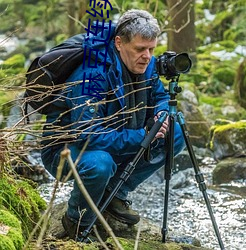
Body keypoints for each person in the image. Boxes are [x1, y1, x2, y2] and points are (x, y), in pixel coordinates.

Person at [41, 9, 185, 241]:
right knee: (100, 164)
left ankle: (115, 193)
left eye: (152, 49)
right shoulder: (91, 75)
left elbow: (159, 96)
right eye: (140, 49)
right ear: (119, 43)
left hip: (117, 136)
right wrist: (142, 135)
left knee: (175, 132)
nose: (147, 56)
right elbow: (87, 135)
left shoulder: (146, 64)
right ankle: (76, 221)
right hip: (67, 150)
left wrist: (161, 114)